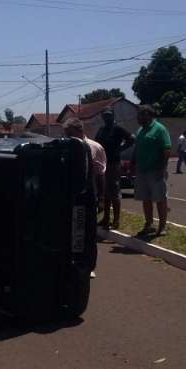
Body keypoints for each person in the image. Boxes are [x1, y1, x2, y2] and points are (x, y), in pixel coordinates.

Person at [63, 118, 106, 279]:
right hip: (70, 197)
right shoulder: (65, 148)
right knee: (72, 231)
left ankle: (89, 266)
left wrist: (101, 198)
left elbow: (101, 175)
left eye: (69, 133)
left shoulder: (95, 147)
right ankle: (71, 263)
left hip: (88, 197)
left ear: (78, 131)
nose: (67, 136)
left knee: (88, 233)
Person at [133, 105, 172, 237]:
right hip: (142, 170)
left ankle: (162, 226)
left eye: (139, 115)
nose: (137, 118)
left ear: (147, 115)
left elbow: (166, 150)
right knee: (146, 198)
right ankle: (149, 224)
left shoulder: (159, 129)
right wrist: (134, 165)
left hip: (155, 171)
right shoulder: (140, 130)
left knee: (160, 198)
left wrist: (162, 168)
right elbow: (137, 148)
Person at [95, 107, 135, 230]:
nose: (107, 117)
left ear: (113, 116)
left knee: (114, 192)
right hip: (103, 164)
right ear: (102, 116)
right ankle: (106, 218)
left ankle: (116, 221)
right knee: (105, 192)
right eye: (105, 115)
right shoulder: (102, 129)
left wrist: (121, 149)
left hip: (114, 163)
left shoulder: (117, 128)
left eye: (109, 115)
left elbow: (132, 138)